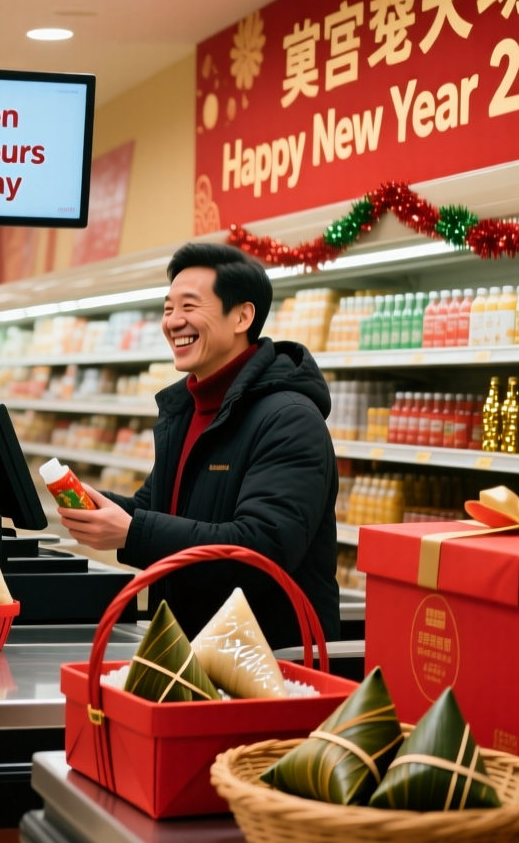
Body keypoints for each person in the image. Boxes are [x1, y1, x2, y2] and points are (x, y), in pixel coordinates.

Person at [57, 242, 340, 650]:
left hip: (269, 667)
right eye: (168, 309)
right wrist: (100, 506)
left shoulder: (289, 418)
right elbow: (160, 510)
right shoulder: (186, 411)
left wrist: (133, 532)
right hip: (194, 650)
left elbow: (262, 551)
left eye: (189, 307)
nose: (174, 322)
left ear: (243, 315)